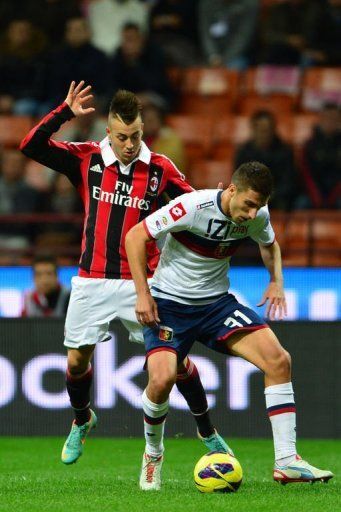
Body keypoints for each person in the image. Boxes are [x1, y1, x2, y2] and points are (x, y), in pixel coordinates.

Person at [20, 81, 227, 466]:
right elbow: (29, 145)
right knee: (76, 363)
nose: (129, 144)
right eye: (122, 136)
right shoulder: (86, 159)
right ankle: (82, 420)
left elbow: (194, 205)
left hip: (144, 284)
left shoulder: (160, 169)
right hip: (92, 278)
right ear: (108, 132)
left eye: (135, 136)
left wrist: (217, 201)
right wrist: (63, 112)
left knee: (176, 363)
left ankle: (207, 430)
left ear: (142, 131)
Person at [125, 161, 334, 490]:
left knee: (279, 361)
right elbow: (135, 236)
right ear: (231, 190)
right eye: (249, 204)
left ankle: (287, 461)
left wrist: (276, 281)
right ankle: (153, 452)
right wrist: (142, 294)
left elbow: (270, 244)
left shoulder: (258, 217)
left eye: (259, 207)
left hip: (215, 306)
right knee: (163, 378)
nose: (252, 215)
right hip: (168, 305)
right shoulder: (192, 207)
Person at [234, 110, 299, 210]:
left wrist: (269, 197)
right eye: (260, 130)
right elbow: (240, 181)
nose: (264, 134)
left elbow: (288, 182)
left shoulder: (285, 152)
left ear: (273, 130)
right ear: (253, 130)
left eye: (267, 130)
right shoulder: (243, 153)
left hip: (278, 199)